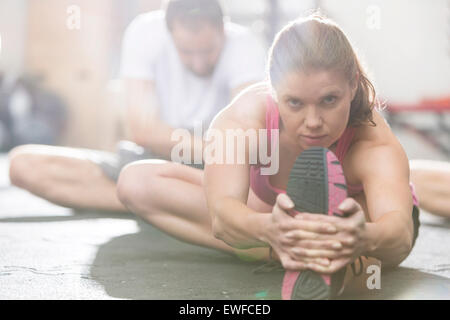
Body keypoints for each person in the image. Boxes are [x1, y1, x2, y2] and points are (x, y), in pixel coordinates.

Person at [116, 13, 420, 298]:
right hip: (272, 216)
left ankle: (340, 259)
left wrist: (364, 236)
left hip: (353, 224)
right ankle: (291, 252)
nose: (313, 121)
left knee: (367, 238)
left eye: (329, 100)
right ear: (273, 90)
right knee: (136, 181)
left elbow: (400, 234)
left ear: (352, 84)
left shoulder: (371, 140)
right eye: (295, 103)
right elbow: (222, 216)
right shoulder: (244, 121)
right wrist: (268, 228)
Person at [7, 0, 265, 212]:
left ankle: (156, 201)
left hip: (214, 171)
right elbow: (143, 131)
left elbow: (243, 139)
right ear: (169, 32)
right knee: (22, 164)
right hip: (155, 162)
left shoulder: (245, 45)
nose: (198, 64)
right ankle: (165, 204)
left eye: (208, 51)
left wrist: (218, 158)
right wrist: (215, 150)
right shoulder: (145, 33)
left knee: (251, 188)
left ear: (223, 29)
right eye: (187, 52)